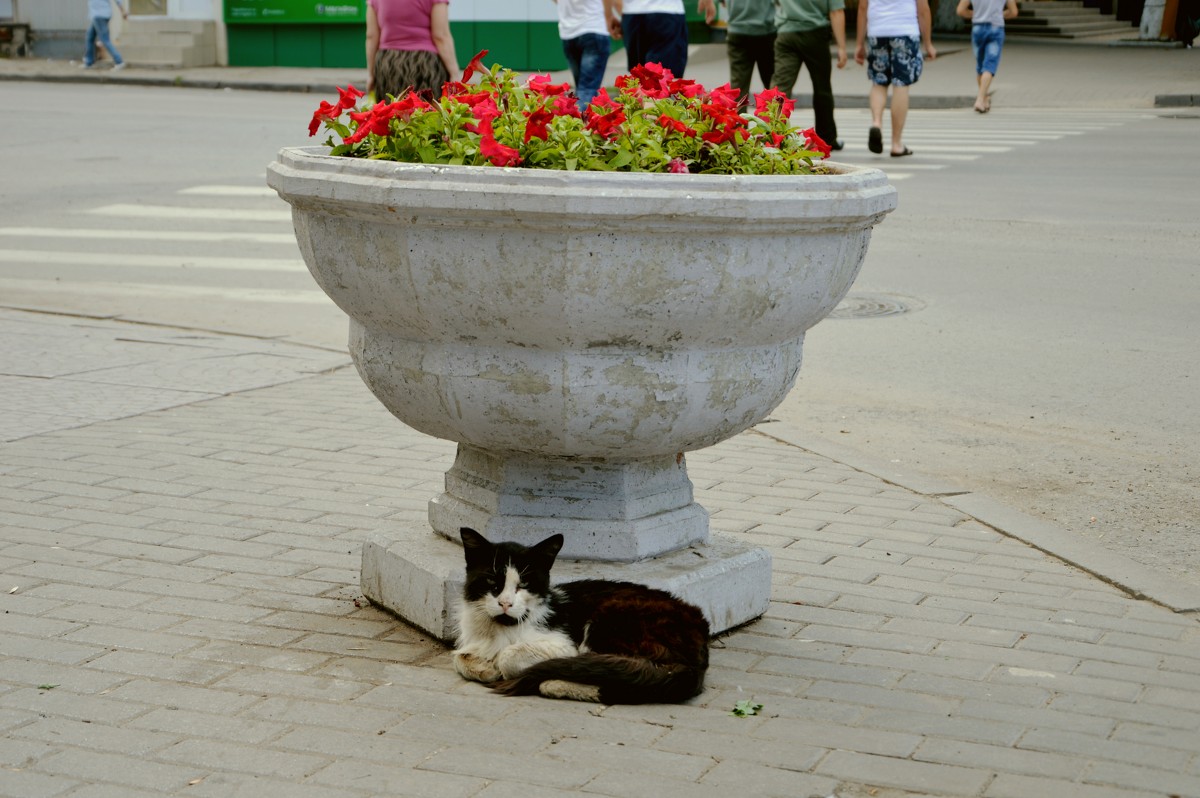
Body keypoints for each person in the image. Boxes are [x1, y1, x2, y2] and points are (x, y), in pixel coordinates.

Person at [854, 0, 936, 157]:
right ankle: (896, 144)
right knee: (901, 84)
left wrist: (859, 43)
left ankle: (876, 123)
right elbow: (923, 9)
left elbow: (863, 7)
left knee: (878, 82)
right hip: (905, 30)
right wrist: (928, 43)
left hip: (877, 31)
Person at [772, 0, 847, 149]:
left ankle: (771, 135)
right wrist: (842, 47)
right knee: (822, 88)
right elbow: (836, 11)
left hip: (786, 33)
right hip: (815, 34)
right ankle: (826, 139)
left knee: (780, 89)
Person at [366, 0, 460, 102]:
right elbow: (440, 36)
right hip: (425, 65)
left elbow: (371, 36)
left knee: (392, 113)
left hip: (388, 65)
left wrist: (371, 74)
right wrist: (454, 72)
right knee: (427, 113)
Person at [697, 0, 777, 111]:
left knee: (739, 86)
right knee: (773, 84)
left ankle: (739, 125)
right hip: (766, 29)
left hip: (737, 29)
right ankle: (776, 124)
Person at [955, 0, 1017, 113]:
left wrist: (975, 14)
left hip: (978, 28)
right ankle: (980, 100)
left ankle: (984, 99)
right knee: (989, 65)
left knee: (980, 67)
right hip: (996, 28)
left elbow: (960, 10)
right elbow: (1013, 12)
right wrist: (1001, 15)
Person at [555, 0, 616, 112]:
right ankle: (580, 125)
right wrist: (609, 18)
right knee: (587, 88)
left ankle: (584, 121)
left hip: (568, 33)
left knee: (582, 88)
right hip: (594, 28)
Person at [610, 0, 689, 77]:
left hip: (632, 14)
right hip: (667, 11)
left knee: (639, 76)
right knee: (668, 75)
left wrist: (610, 17)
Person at [81, 0, 128, 71]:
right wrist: (123, 11)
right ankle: (89, 62)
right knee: (90, 37)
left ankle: (119, 61)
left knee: (105, 40)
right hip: (100, 14)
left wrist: (123, 11)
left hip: (99, 15)